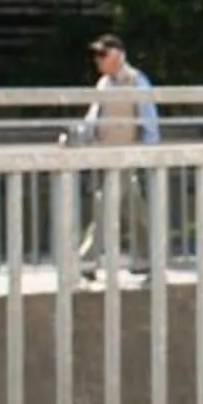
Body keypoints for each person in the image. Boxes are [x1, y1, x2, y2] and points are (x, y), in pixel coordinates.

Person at [75, 33, 160, 279]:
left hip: (128, 153)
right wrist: (80, 137)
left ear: (118, 55)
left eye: (103, 54)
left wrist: (149, 153)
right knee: (133, 206)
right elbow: (94, 117)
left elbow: (148, 118)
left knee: (107, 203)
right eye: (97, 54)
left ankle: (87, 260)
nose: (98, 59)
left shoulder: (137, 81)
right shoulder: (104, 83)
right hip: (107, 154)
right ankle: (148, 258)